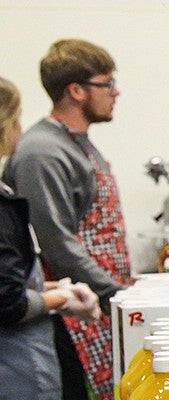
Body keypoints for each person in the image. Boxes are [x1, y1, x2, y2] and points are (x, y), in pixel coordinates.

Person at [1, 38, 134, 400]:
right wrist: (118, 297)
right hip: (75, 315)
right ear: (76, 90)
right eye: (107, 83)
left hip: (95, 302)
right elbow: (56, 242)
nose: (116, 92)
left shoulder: (77, 143)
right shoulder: (43, 152)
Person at [0, 75, 104, 400]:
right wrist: (64, 297)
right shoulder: (39, 156)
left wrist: (57, 287)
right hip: (16, 372)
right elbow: (9, 301)